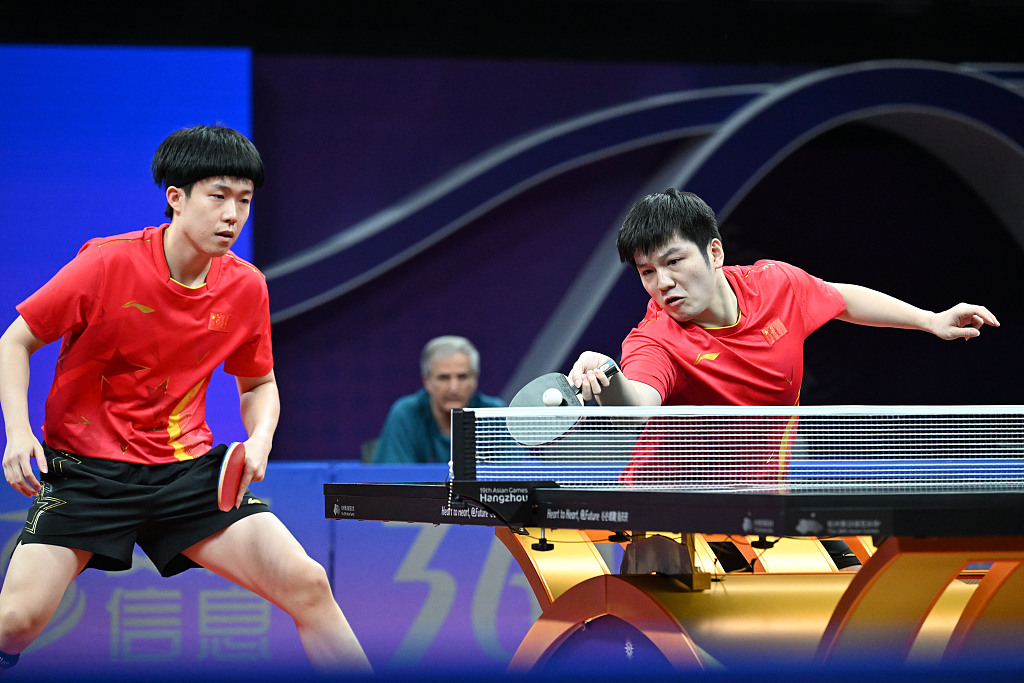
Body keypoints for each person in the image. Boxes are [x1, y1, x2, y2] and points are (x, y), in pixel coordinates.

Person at [0, 125, 371, 673]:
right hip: (86, 474)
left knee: (308, 584)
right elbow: (16, 340)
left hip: (186, 473)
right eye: (218, 196)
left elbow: (259, 383)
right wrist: (18, 432)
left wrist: (261, 439)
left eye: (244, 201)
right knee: (15, 621)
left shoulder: (246, 287)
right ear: (176, 198)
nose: (232, 215)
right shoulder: (108, 263)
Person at [567, 188, 999, 571]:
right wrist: (609, 377)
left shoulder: (775, 287)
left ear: (714, 253)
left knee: (851, 588)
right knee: (717, 638)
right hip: (671, 512)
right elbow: (640, 403)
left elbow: (842, 298)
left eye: (673, 261)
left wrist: (930, 320)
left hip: (763, 503)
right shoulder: (655, 340)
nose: (663, 283)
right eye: (646, 272)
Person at [372, 336, 504, 463]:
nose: (453, 388)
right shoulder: (406, 413)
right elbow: (393, 481)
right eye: (444, 378)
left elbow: (515, 477)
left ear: (475, 379)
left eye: (462, 377)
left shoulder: (495, 414)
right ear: (426, 381)